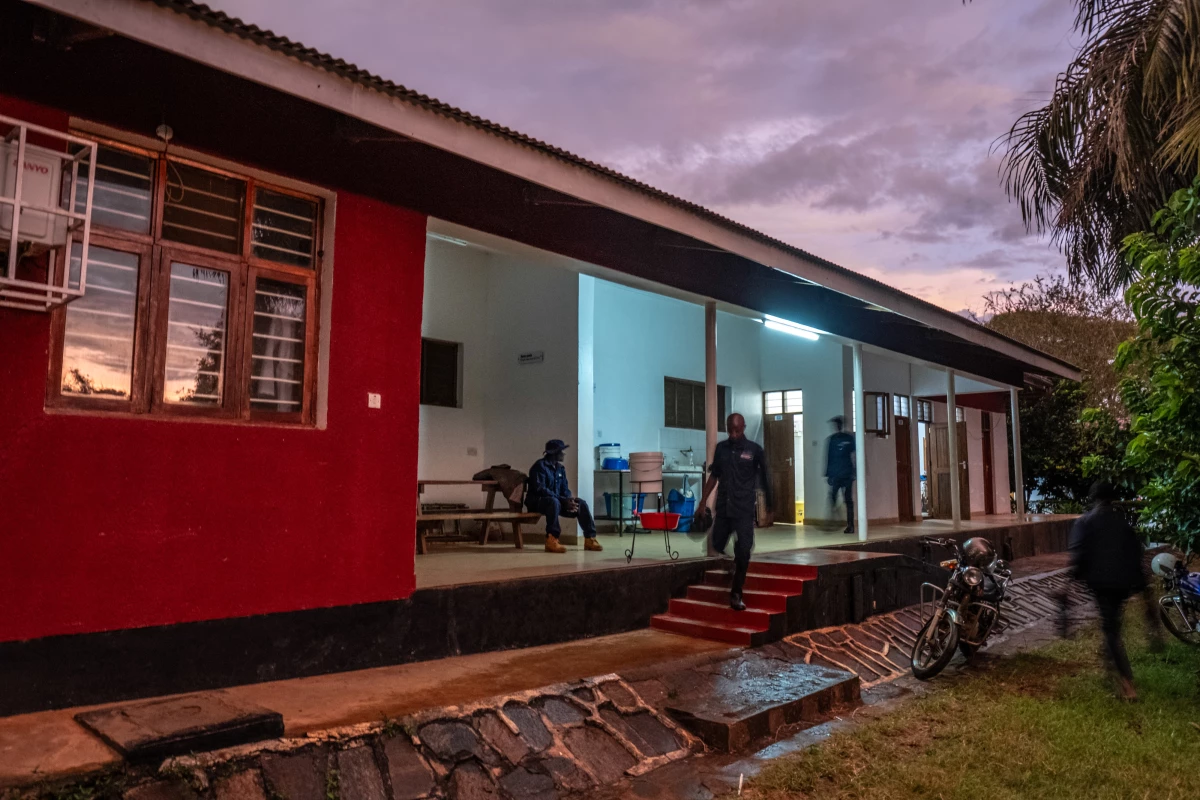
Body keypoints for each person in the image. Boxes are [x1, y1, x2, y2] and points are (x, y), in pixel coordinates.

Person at [1069, 480, 1146, 701]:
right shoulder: (1123, 523)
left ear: (1094, 498)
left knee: (1111, 630)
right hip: (1124, 584)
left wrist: (1070, 584)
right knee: (1112, 625)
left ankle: (1127, 685)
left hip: (1101, 584)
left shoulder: (1085, 522)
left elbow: (1078, 556)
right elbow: (1136, 555)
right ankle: (1109, 666)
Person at [696, 413, 774, 611]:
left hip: (744, 510)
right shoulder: (721, 449)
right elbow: (714, 476)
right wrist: (702, 501)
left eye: (737, 430)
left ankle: (736, 593)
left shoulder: (754, 450)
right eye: (730, 430)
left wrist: (771, 504)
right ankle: (732, 560)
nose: (733, 434)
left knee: (744, 549)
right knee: (717, 543)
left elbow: (765, 478)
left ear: (744, 428)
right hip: (723, 509)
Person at [526, 439, 602, 554]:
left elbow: (564, 489)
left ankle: (589, 539)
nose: (564, 453)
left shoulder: (560, 468)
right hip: (537, 502)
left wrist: (569, 499)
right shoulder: (539, 466)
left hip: (555, 501)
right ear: (554, 453)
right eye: (562, 451)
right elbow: (540, 489)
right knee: (553, 502)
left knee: (580, 503)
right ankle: (552, 539)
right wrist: (562, 500)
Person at [825, 416, 856, 534]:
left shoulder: (834, 439)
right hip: (842, 473)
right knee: (841, 499)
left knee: (843, 499)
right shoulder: (845, 438)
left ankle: (847, 524)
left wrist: (828, 475)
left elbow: (829, 458)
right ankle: (844, 524)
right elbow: (829, 457)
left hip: (842, 473)